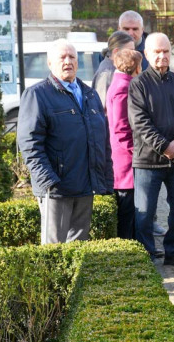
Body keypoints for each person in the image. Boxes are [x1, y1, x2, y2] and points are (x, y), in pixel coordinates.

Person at [17, 39, 113, 244]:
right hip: (56, 188)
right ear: (50, 63)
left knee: (78, 246)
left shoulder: (90, 94)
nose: (68, 61)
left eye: (72, 57)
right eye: (62, 57)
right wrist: (48, 181)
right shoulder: (37, 94)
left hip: (85, 185)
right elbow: (29, 144)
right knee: (54, 248)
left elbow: (102, 140)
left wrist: (104, 177)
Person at [128, 33, 174, 266]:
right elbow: (139, 122)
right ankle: (146, 253)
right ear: (147, 54)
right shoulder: (138, 84)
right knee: (144, 211)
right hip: (148, 159)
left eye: (166, 51)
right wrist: (164, 146)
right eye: (157, 52)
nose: (162, 56)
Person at [105, 47, 142, 240]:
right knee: (127, 211)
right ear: (136, 67)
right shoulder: (124, 86)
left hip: (122, 156)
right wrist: (136, 151)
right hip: (125, 159)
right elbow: (121, 126)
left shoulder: (118, 82)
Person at [92, 30, 136, 103]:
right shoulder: (107, 73)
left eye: (134, 50)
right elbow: (101, 104)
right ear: (116, 52)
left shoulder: (114, 69)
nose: (133, 54)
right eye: (130, 51)